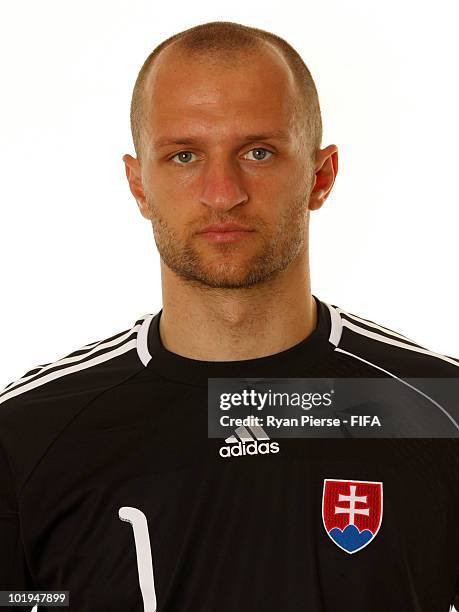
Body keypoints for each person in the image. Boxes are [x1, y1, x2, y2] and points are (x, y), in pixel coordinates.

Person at [1, 20, 458, 612]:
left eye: (258, 152)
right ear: (139, 186)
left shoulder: (438, 410)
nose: (223, 192)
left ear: (320, 176)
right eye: (184, 155)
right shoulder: (26, 436)